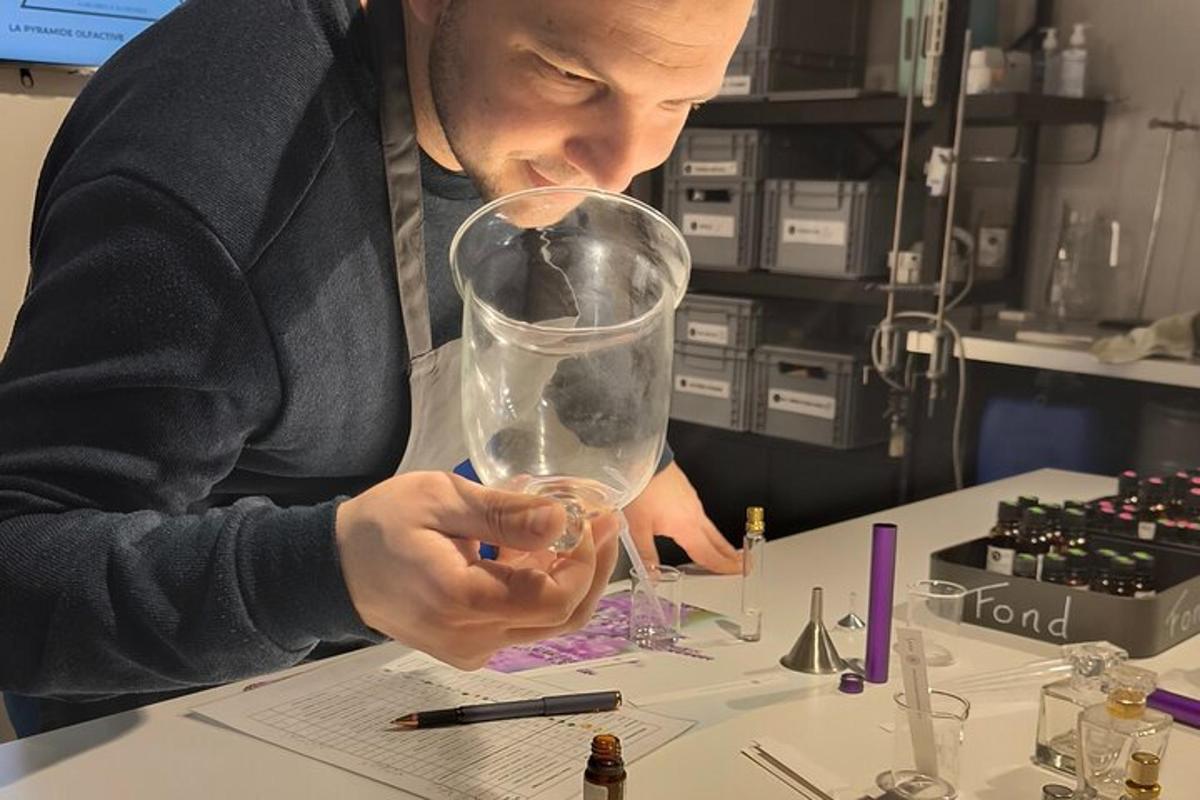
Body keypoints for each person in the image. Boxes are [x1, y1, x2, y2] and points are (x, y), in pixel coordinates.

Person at [0, 0, 752, 735]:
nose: (617, 167)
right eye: (568, 74)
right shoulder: (206, 189)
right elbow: (18, 580)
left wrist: (637, 459)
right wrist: (327, 574)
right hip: (151, 723)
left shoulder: (546, 137)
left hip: (360, 693)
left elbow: (553, 277)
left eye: (680, 100)